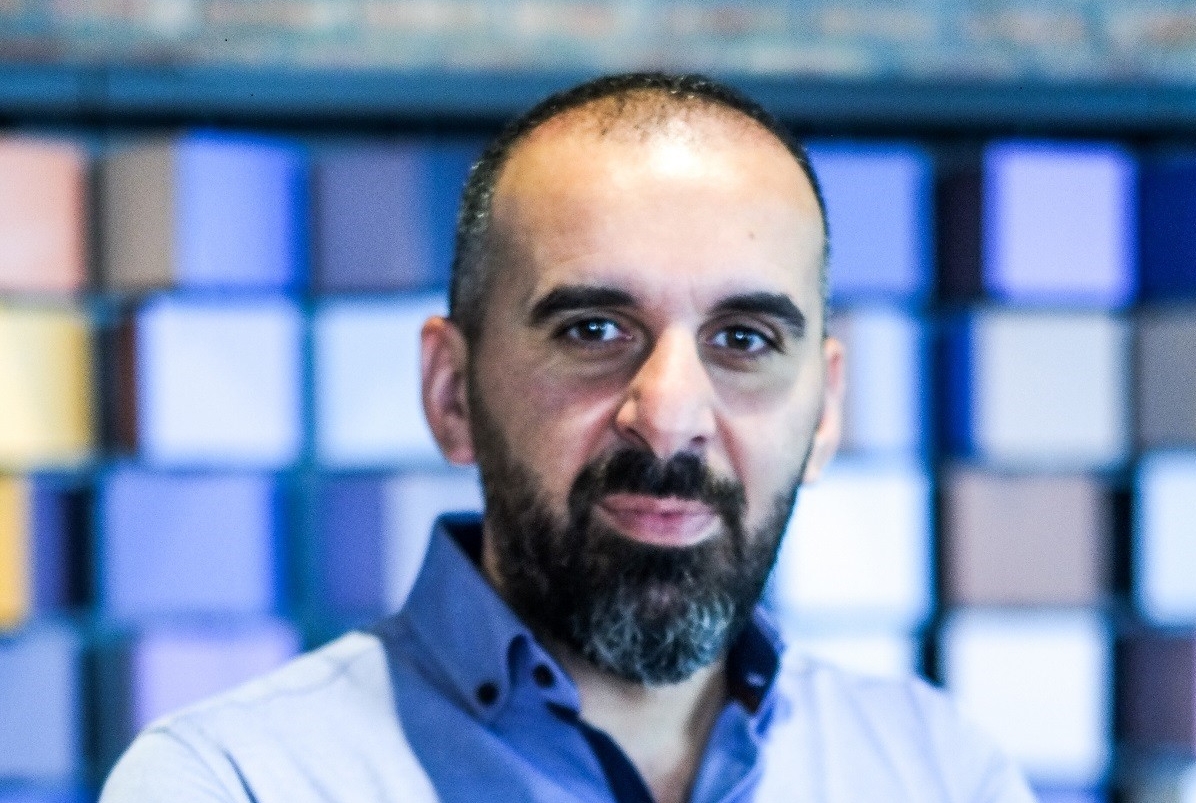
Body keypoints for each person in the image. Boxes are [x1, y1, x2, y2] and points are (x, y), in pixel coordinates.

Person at [100, 72, 1036, 803]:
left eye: (744, 340)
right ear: (452, 393)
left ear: (825, 412)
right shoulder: (231, 781)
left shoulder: (944, 772)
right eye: (594, 329)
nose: (669, 416)